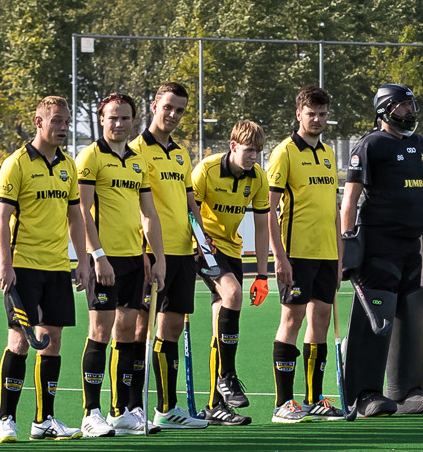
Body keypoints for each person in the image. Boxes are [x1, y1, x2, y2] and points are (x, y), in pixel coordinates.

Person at [0, 95, 89, 441]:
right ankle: (5, 419)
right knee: (19, 340)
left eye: (67, 122)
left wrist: (82, 261)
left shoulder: (68, 165)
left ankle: (44, 419)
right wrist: (5, 264)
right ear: (38, 121)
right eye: (57, 121)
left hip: (57, 267)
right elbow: (2, 219)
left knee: (53, 341)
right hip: (23, 268)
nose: (63, 128)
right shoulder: (15, 164)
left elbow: (75, 216)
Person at [339, 84, 423, 417]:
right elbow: (350, 199)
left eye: (411, 105)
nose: (409, 111)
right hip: (379, 245)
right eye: (401, 106)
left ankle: (407, 390)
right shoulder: (370, 145)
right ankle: (364, 393)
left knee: (412, 314)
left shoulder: (418, 144)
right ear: (384, 110)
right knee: (376, 316)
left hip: (412, 246)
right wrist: (347, 242)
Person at [77, 94, 166, 436]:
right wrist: (98, 255)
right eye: (113, 117)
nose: (119, 123)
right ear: (102, 119)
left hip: (133, 259)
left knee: (126, 333)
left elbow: (149, 213)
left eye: (125, 118)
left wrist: (157, 257)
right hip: (104, 259)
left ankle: (121, 411)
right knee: (100, 333)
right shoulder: (90, 157)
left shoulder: (137, 160)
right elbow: (82, 212)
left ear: (133, 120)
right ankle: (91, 413)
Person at [266, 86, 343, 422]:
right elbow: (268, 210)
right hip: (296, 254)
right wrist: (279, 256)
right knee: (292, 320)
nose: (317, 120)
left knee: (320, 321)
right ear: (299, 114)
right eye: (311, 114)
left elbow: (334, 209)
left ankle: (314, 399)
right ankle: (283, 403)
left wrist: (339, 258)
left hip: (327, 254)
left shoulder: (328, 154)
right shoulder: (284, 152)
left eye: (323, 114)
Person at [189, 120, 273, 425]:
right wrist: (202, 243)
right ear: (233, 146)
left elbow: (262, 228)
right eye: (249, 150)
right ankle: (228, 375)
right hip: (203, 246)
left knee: (219, 326)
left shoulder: (258, 177)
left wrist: (262, 275)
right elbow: (190, 211)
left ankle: (215, 406)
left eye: (258, 151)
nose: (254, 156)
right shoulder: (206, 170)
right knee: (233, 294)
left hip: (232, 250)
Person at [135, 83, 207, 431]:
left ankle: (166, 408)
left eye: (180, 110)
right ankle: (131, 408)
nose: (174, 115)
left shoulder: (181, 154)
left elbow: (189, 201)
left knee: (173, 327)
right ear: (154, 106)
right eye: (168, 107)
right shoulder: (136, 150)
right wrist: (142, 251)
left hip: (183, 252)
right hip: (152, 253)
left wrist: (201, 239)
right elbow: (134, 205)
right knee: (139, 330)